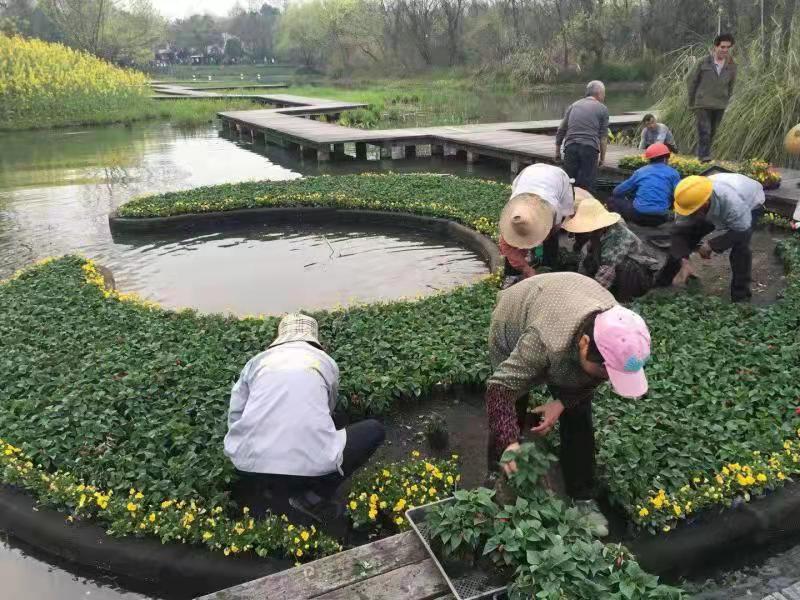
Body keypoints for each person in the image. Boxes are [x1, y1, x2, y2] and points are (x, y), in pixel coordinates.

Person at [485, 272, 652, 537]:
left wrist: (563, 402)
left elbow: (595, 377)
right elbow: (500, 390)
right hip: (514, 320)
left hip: (566, 303)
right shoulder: (544, 342)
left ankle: (582, 495)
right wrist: (509, 442)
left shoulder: (618, 329)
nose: (608, 379)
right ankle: (497, 473)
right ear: (584, 344)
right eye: (605, 372)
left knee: (579, 414)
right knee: (512, 407)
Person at [225, 313, 385, 523]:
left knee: (270, 457)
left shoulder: (256, 363)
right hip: (310, 470)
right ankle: (311, 497)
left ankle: (269, 490)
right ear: (314, 338)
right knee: (373, 430)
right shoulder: (325, 362)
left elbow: (236, 413)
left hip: (249, 465)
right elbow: (328, 407)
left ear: (280, 338)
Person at [655, 173, 765, 302]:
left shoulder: (733, 204)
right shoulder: (687, 201)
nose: (689, 214)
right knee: (687, 233)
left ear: (705, 204)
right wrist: (684, 260)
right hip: (716, 200)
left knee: (741, 248)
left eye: (693, 211)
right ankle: (663, 280)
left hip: (750, 202)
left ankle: (741, 296)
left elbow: (742, 232)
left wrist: (712, 245)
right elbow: (680, 233)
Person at [563, 197, 667, 302]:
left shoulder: (618, 236)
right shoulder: (597, 233)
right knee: (590, 259)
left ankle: (624, 300)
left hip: (639, 277)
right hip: (611, 271)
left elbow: (607, 272)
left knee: (627, 266)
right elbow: (586, 261)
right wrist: (579, 282)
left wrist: (588, 297)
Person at [499, 163, 578, 287]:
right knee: (515, 242)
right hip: (528, 175)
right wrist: (526, 269)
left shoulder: (553, 209)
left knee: (551, 238)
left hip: (557, 179)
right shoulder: (514, 215)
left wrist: (542, 240)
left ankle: (549, 269)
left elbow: (555, 228)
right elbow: (508, 248)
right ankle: (511, 274)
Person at [688, 33, 737, 162]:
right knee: (705, 131)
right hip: (703, 103)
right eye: (722, 47)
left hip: (720, 104)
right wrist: (691, 102)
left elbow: (731, 86)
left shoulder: (731, 65)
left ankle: (702, 155)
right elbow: (692, 82)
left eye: (728, 47)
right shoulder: (703, 62)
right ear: (715, 47)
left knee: (712, 132)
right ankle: (704, 158)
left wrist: (727, 101)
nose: (725, 50)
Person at [555, 80, 610, 193]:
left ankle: (569, 203)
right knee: (587, 186)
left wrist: (557, 151)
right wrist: (602, 159)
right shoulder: (603, 109)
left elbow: (561, 129)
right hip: (590, 149)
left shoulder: (573, 106)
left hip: (571, 147)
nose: (604, 96)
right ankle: (585, 202)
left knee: (569, 184)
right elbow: (603, 137)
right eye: (604, 93)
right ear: (599, 93)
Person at [610, 142, 681, 227]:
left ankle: (622, 226)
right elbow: (679, 196)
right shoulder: (674, 173)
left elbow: (616, 192)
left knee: (612, 200)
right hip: (662, 218)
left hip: (638, 216)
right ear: (666, 158)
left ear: (649, 159)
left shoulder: (640, 172)